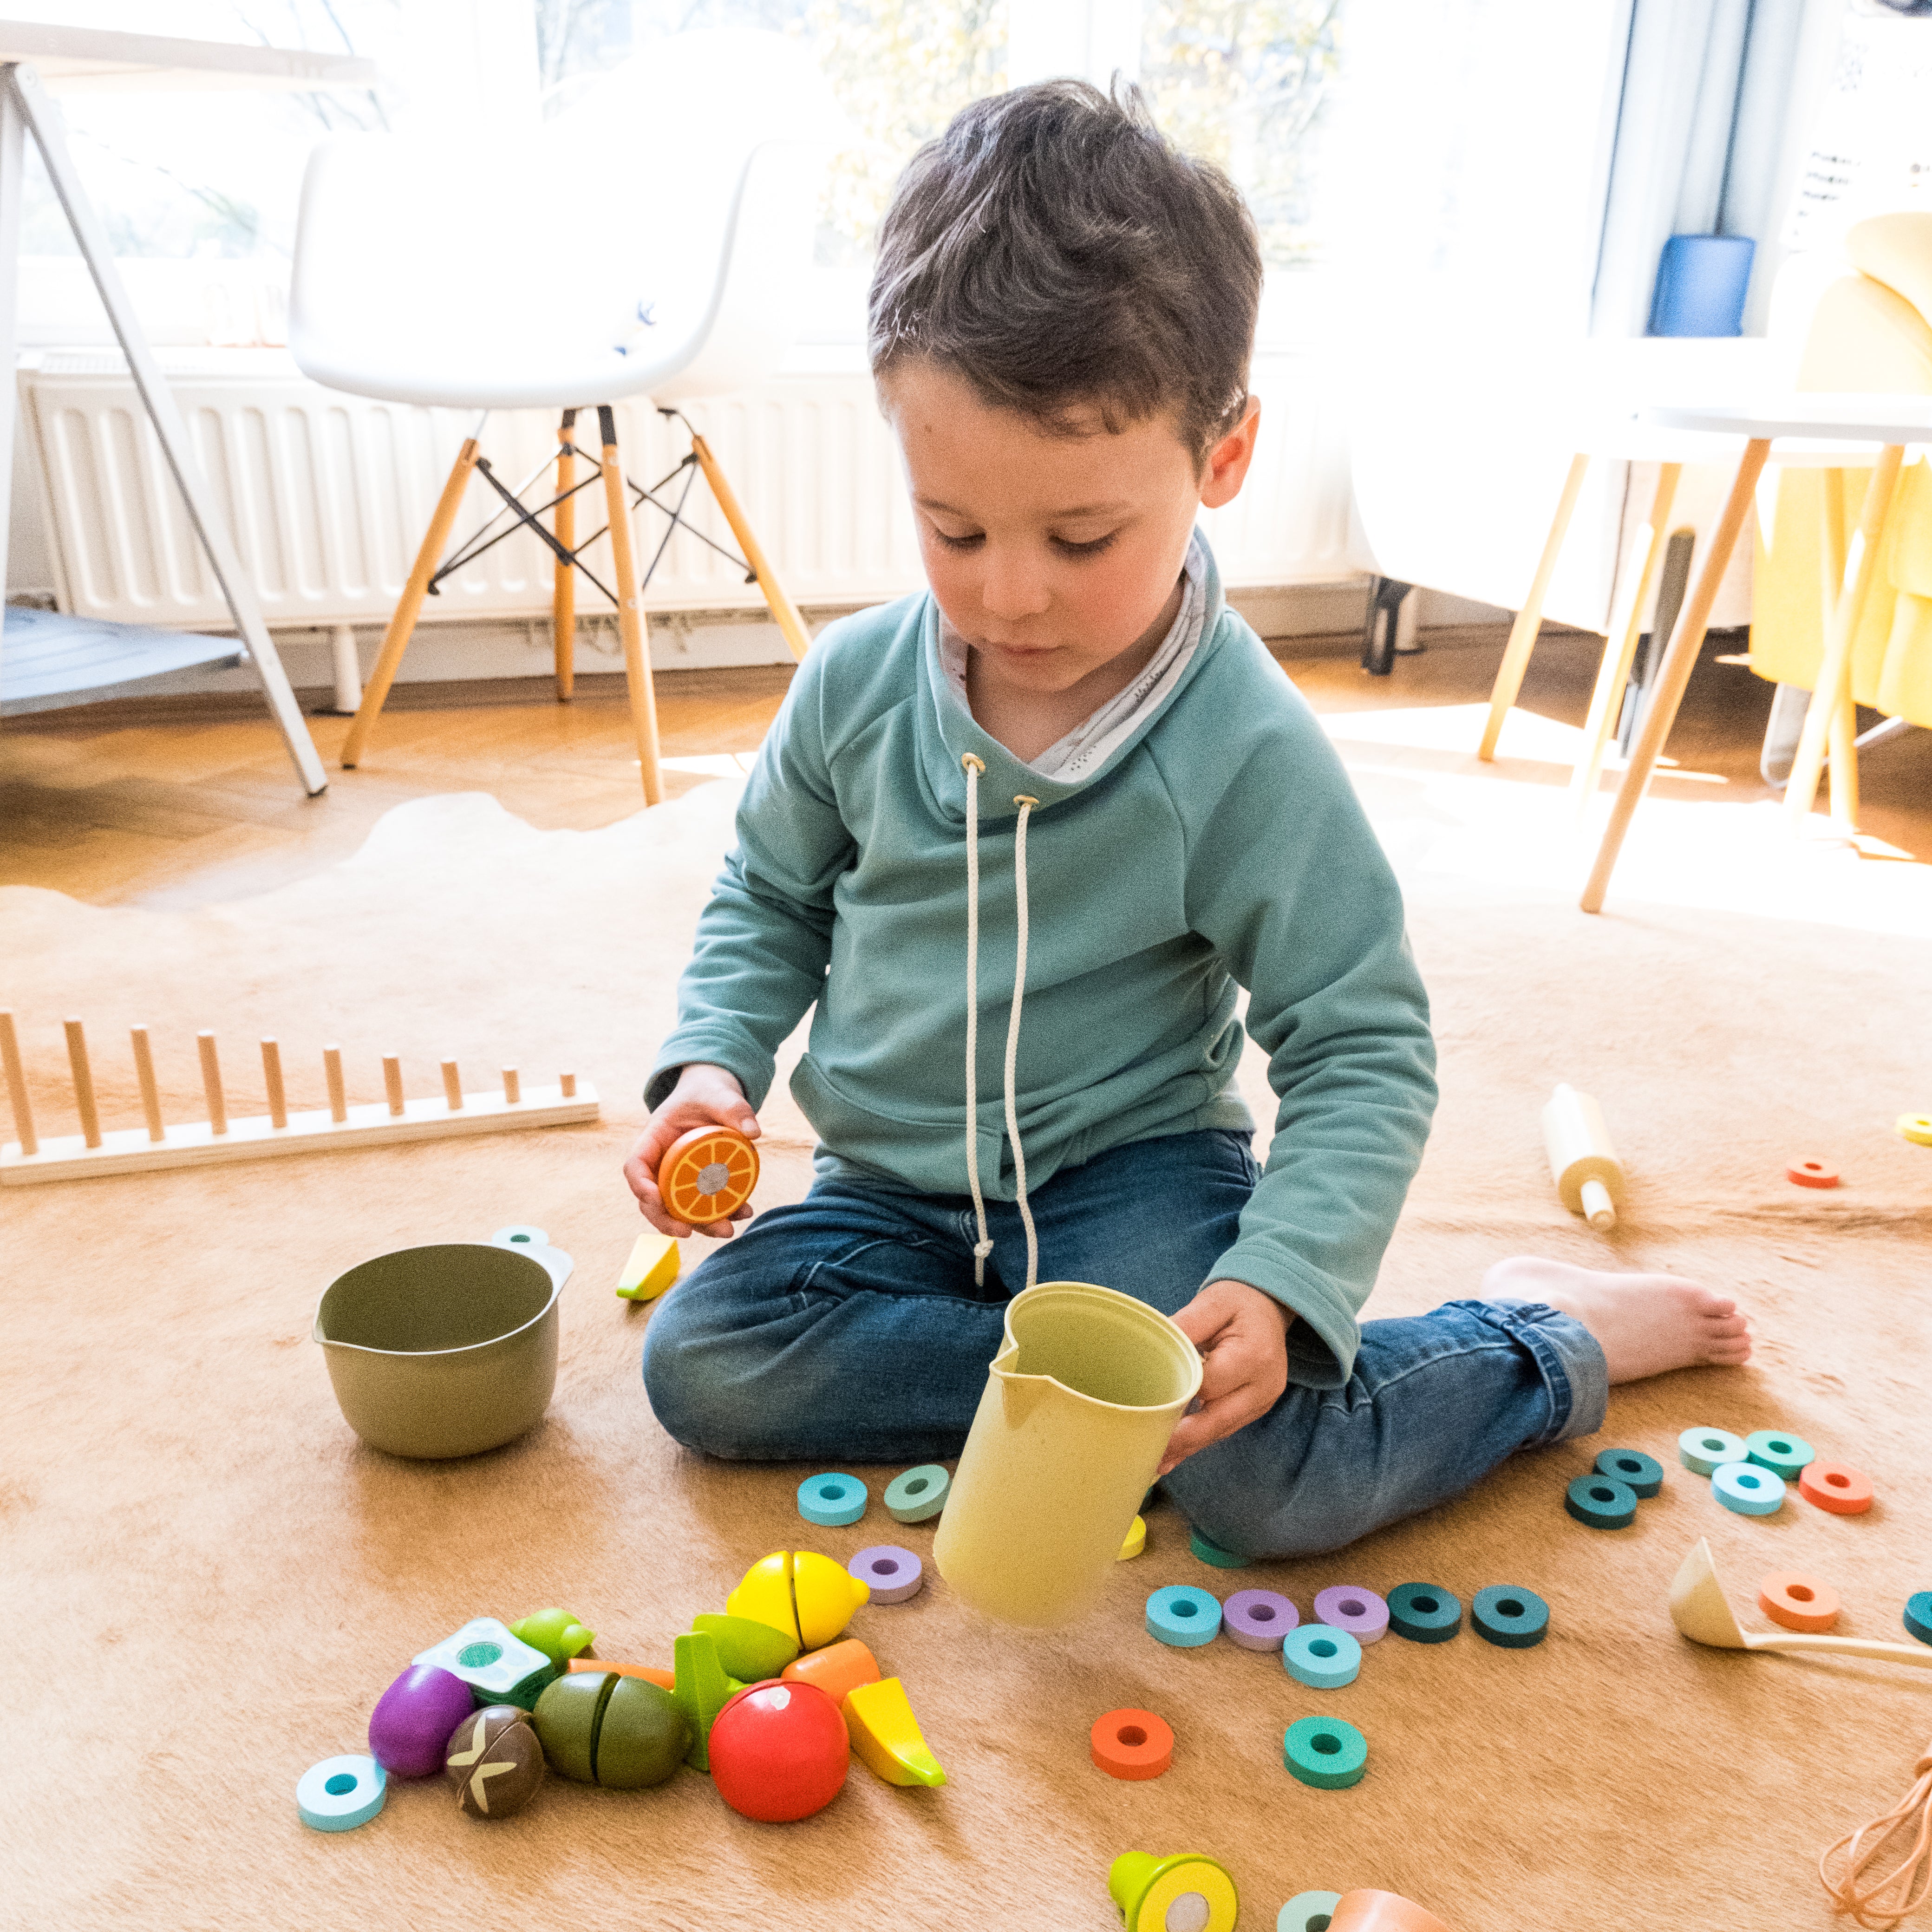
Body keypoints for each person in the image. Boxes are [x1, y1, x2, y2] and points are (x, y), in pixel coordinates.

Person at [624, 81, 1749, 1558]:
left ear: (1223, 458)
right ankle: (1100, 1394)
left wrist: (1281, 1283)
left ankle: (1541, 1337)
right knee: (705, 1361)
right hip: (890, 1190)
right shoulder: (853, 682)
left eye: (1081, 537)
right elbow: (770, 899)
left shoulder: (1247, 750)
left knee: (1264, 1483)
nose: (1008, 592)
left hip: (1132, 1174)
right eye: (952, 527)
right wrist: (711, 1061)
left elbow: (1362, 1043)